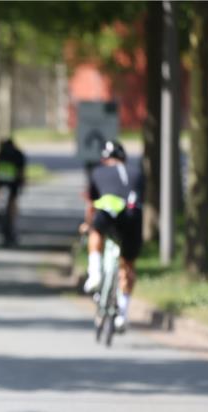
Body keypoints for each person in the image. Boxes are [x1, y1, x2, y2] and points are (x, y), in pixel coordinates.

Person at [80, 139, 144, 332]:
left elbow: (91, 204)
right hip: (132, 215)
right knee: (128, 265)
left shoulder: (98, 172)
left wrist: (87, 225)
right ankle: (122, 314)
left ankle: (95, 273)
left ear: (104, 159)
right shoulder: (137, 173)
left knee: (96, 231)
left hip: (108, 211)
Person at [0, 137, 27, 246]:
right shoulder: (18, 154)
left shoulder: (1, 154)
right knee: (13, 204)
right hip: (14, 183)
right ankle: (12, 222)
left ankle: (3, 214)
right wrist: (23, 183)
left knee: (4, 204)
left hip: (2, 181)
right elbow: (22, 172)